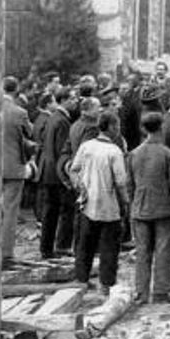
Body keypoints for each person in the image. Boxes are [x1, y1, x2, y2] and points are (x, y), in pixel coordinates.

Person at [68, 112, 129, 294]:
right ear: (110, 127)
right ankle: (106, 284)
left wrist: (81, 187)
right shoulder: (114, 152)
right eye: (116, 126)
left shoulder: (86, 146)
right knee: (109, 247)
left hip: (87, 204)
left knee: (85, 244)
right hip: (109, 205)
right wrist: (125, 202)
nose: (118, 130)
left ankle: (82, 280)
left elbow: (73, 169)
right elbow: (120, 182)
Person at [128, 112, 170, 304]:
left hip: (140, 208)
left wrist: (133, 205)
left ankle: (141, 293)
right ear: (161, 128)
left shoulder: (134, 154)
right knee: (163, 249)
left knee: (142, 251)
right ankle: (161, 291)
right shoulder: (167, 153)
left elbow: (129, 185)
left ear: (143, 130)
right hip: (164, 208)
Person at [1, 76, 36, 267]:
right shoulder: (19, 112)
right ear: (16, 91)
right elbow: (30, 133)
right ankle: (5, 253)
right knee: (9, 211)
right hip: (14, 166)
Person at [36, 87, 74, 258]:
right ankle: (61, 246)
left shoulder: (53, 118)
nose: (75, 101)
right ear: (63, 99)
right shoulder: (63, 121)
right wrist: (66, 174)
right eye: (72, 98)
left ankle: (46, 247)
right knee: (65, 209)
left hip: (48, 170)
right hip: (57, 173)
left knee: (50, 211)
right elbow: (61, 150)